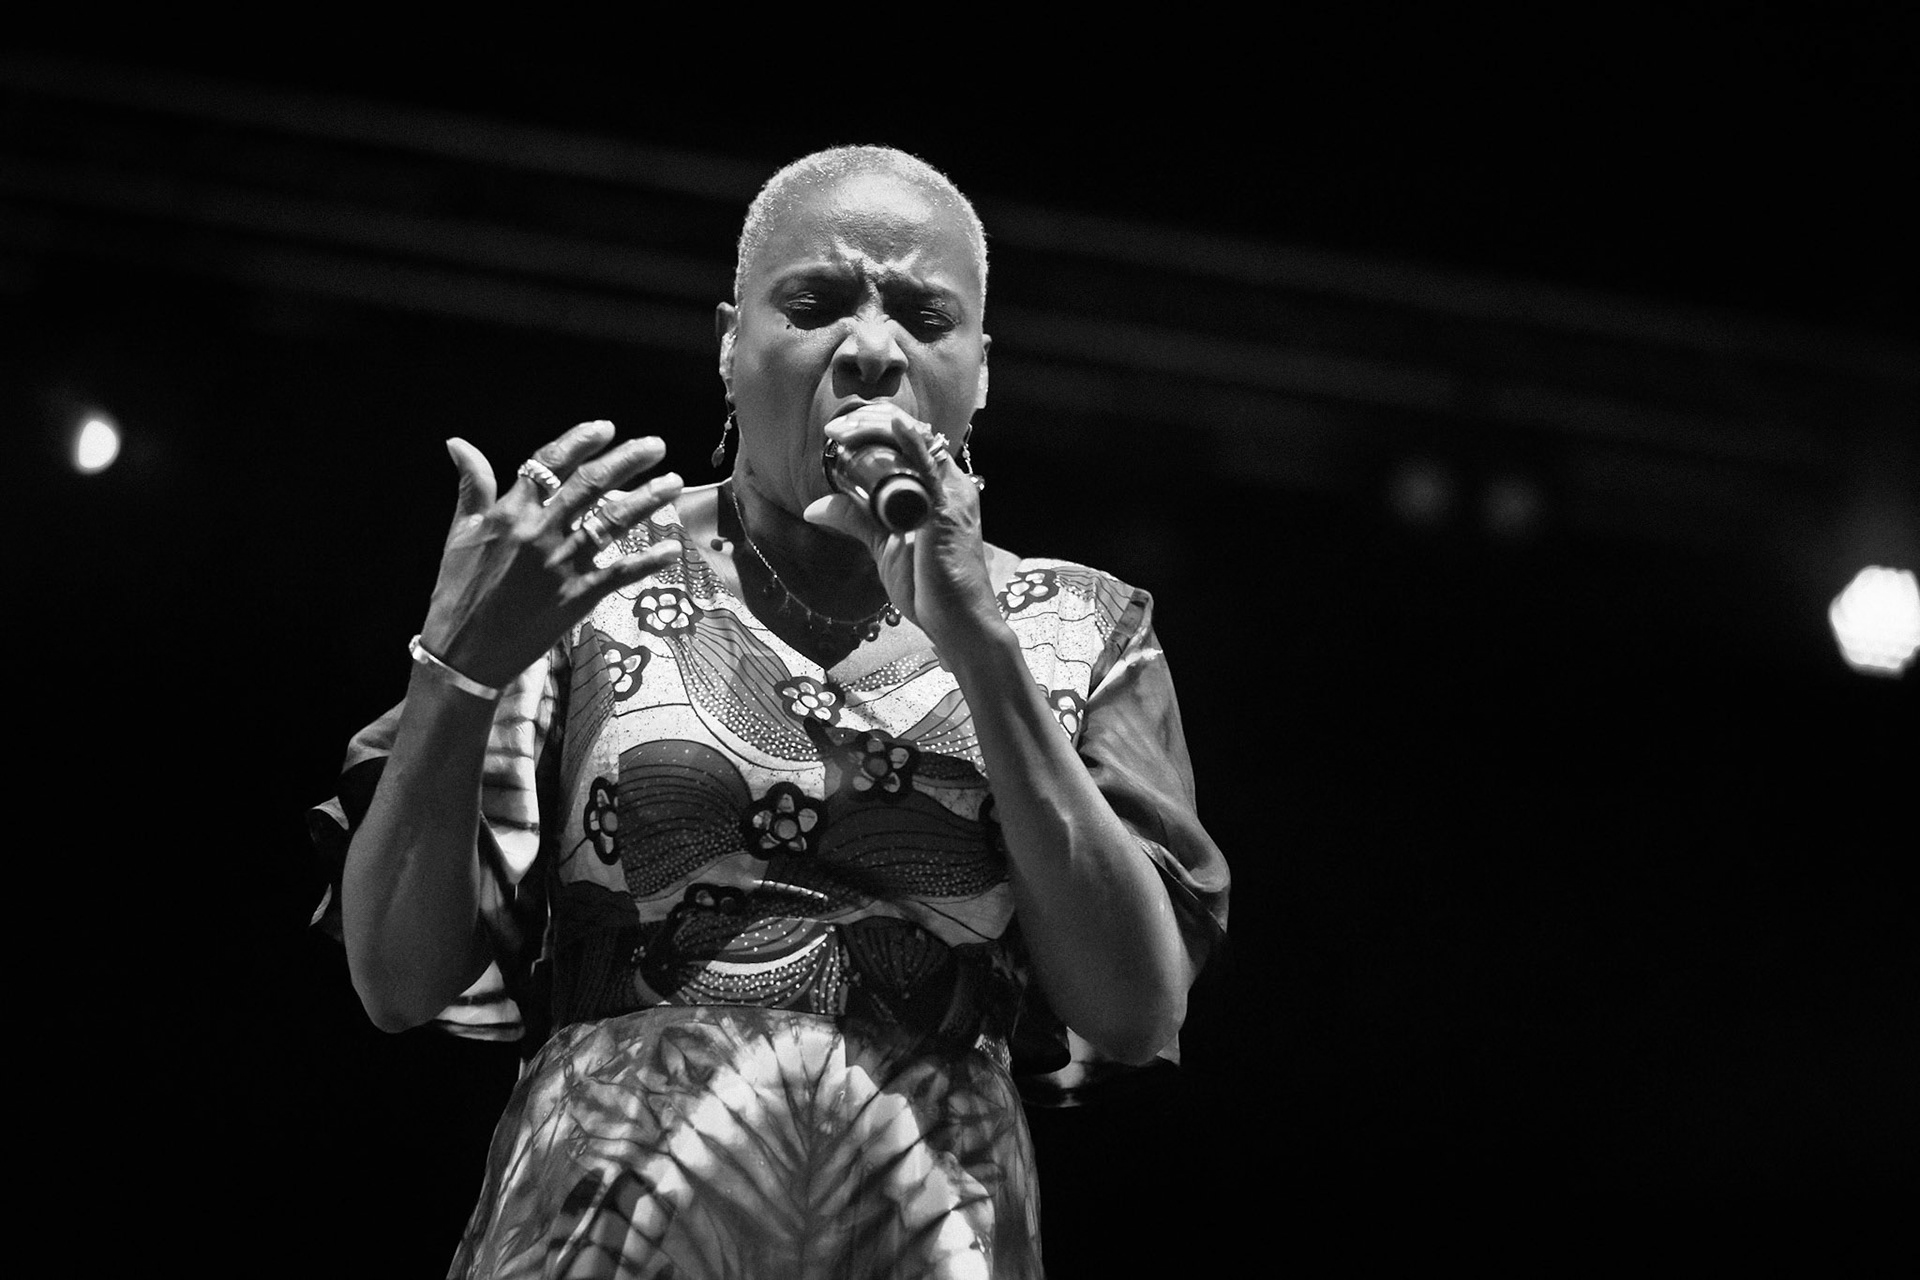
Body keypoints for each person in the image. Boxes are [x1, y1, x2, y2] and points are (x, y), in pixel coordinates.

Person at [311, 145, 1229, 1279]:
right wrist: (458, 671)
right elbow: (395, 980)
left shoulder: (1074, 626)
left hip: (927, 1230)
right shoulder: (583, 583)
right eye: (816, 303)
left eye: (923, 315)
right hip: (607, 1233)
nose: (870, 349)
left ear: (980, 372)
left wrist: (981, 646)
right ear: (728, 345)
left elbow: (1135, 1010)